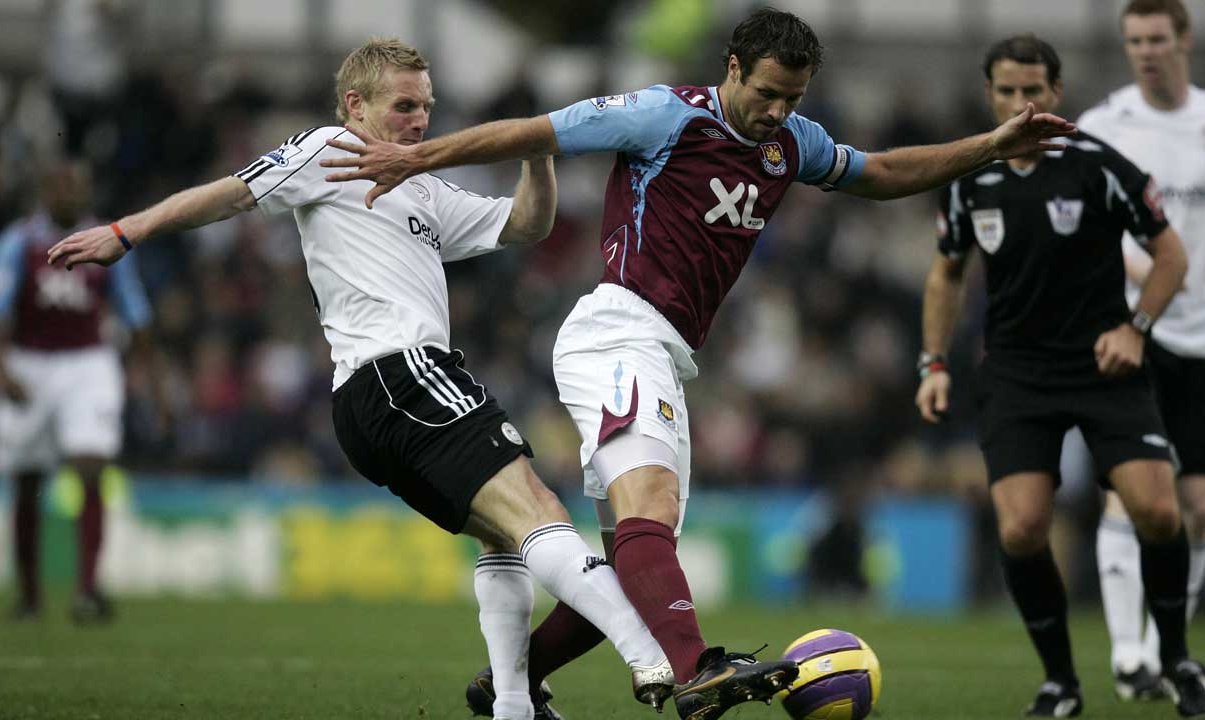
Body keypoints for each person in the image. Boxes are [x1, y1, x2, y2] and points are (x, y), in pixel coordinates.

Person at [316, 9, 1076, 719]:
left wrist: (990, 144)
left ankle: (513, 680)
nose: (778, 111)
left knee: (644, 553)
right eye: (769, 94)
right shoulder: (666, 113)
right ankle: (694, 672)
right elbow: (533, 129)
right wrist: (415, 155)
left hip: (667, 352)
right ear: (734, 68)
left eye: (794, 97)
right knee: (648, 503)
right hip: (616, 328)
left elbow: (879, 174)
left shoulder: (793, 143)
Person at [46, 37, 705, 720]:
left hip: (372, 402)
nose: (419, 120)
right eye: (404, 106)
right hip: (402, 372)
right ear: (355, 106)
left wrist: (536, 148)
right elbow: (229, 195)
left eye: (426, 107)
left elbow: (523, 225)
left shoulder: (421, 184)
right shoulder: (327, 150)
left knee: (506, 537)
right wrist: (127, 231)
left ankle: (515, 707)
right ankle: (650, 656)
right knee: (541, 513)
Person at [915, 33, 1204, 717]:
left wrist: (1136, 331)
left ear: (1056, 93)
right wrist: (931, 363)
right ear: (991, 96)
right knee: (1020, 530)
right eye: (1008, 91)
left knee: (1160, 512)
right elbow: (945, 273)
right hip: (1016, 375)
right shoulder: (970, 179)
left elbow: (1170, 256)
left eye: (1033, 91)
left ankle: (1176, 660)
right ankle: (1061, 683)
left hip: (1105, 366)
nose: (1022, 103)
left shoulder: (1099, 166)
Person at [1076, 0, 1205, 701]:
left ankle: (1163, 652)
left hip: (1204, 342)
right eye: (1135, 41)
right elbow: (1080, 222)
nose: (1147, 52)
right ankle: (1129, 656)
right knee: (1133, 492)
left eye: (1158, 39)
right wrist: (1143, 268)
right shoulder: (1105, 128)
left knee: (1198, 508)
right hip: (1136, 334)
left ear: (1183, 39)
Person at [0, 158, 158, 623]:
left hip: (87, 362)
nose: (66, 193)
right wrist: (0, 373)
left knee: (91, 465)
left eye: (74, 185)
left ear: (85, 191)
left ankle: (86, 590)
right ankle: (28, 595)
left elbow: (135, 314)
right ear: (44, 189)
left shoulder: (106, 239)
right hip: (28, 361)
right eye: (58, 184)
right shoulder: (19, 243)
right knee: (26, 479)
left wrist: (155, 387)